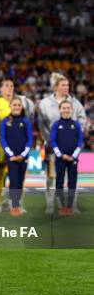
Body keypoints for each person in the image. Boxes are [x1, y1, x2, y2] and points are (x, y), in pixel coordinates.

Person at [0, 79, 34, 213]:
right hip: (0, 142)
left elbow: (30, 112)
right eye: (6, 86)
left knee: (19, 176)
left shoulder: (19, 101)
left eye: (12, 86)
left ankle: (18, 203)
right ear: (0, 88)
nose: (10, 88)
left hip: (18, 144)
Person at [37, 73, 86, 213]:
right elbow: (41, 124)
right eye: (63, 85)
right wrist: (49, 141)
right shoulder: (44, 103)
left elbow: (82, 119)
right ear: (55, 87)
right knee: (51, 177)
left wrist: (75, 135)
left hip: (70, 146)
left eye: (68, 85)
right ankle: (50, 204)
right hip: (51, 146)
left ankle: (72, 205)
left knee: (72, 177)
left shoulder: (75, 103)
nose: (67, 87)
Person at [0, 98, 33, 217]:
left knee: (20, 181)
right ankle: (14, 206)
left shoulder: (26, 121)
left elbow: (30, 139)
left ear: (21, 107)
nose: (17, 107)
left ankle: (17, 204)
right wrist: (11, 155)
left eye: (19, 105)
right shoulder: (5, 121)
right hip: (11, 157)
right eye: (15, 105)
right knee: (13, 180)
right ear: (10, 106)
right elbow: (2, 139)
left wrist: (23, 155)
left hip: (23, 157)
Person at [50, 100, 84, 215]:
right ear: (60, 109)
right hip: (60, 159)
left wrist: (73, 156)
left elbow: (80, 141)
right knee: (59, 182)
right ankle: (61, 206)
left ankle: (69, 206)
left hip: (73, 159)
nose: (66, 110)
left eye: (68, 108)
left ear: (71, 109)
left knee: (72, 182)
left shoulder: (76, 124)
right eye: (63, 108)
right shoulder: (56, 124)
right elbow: (53, 141)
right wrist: (61, 155)